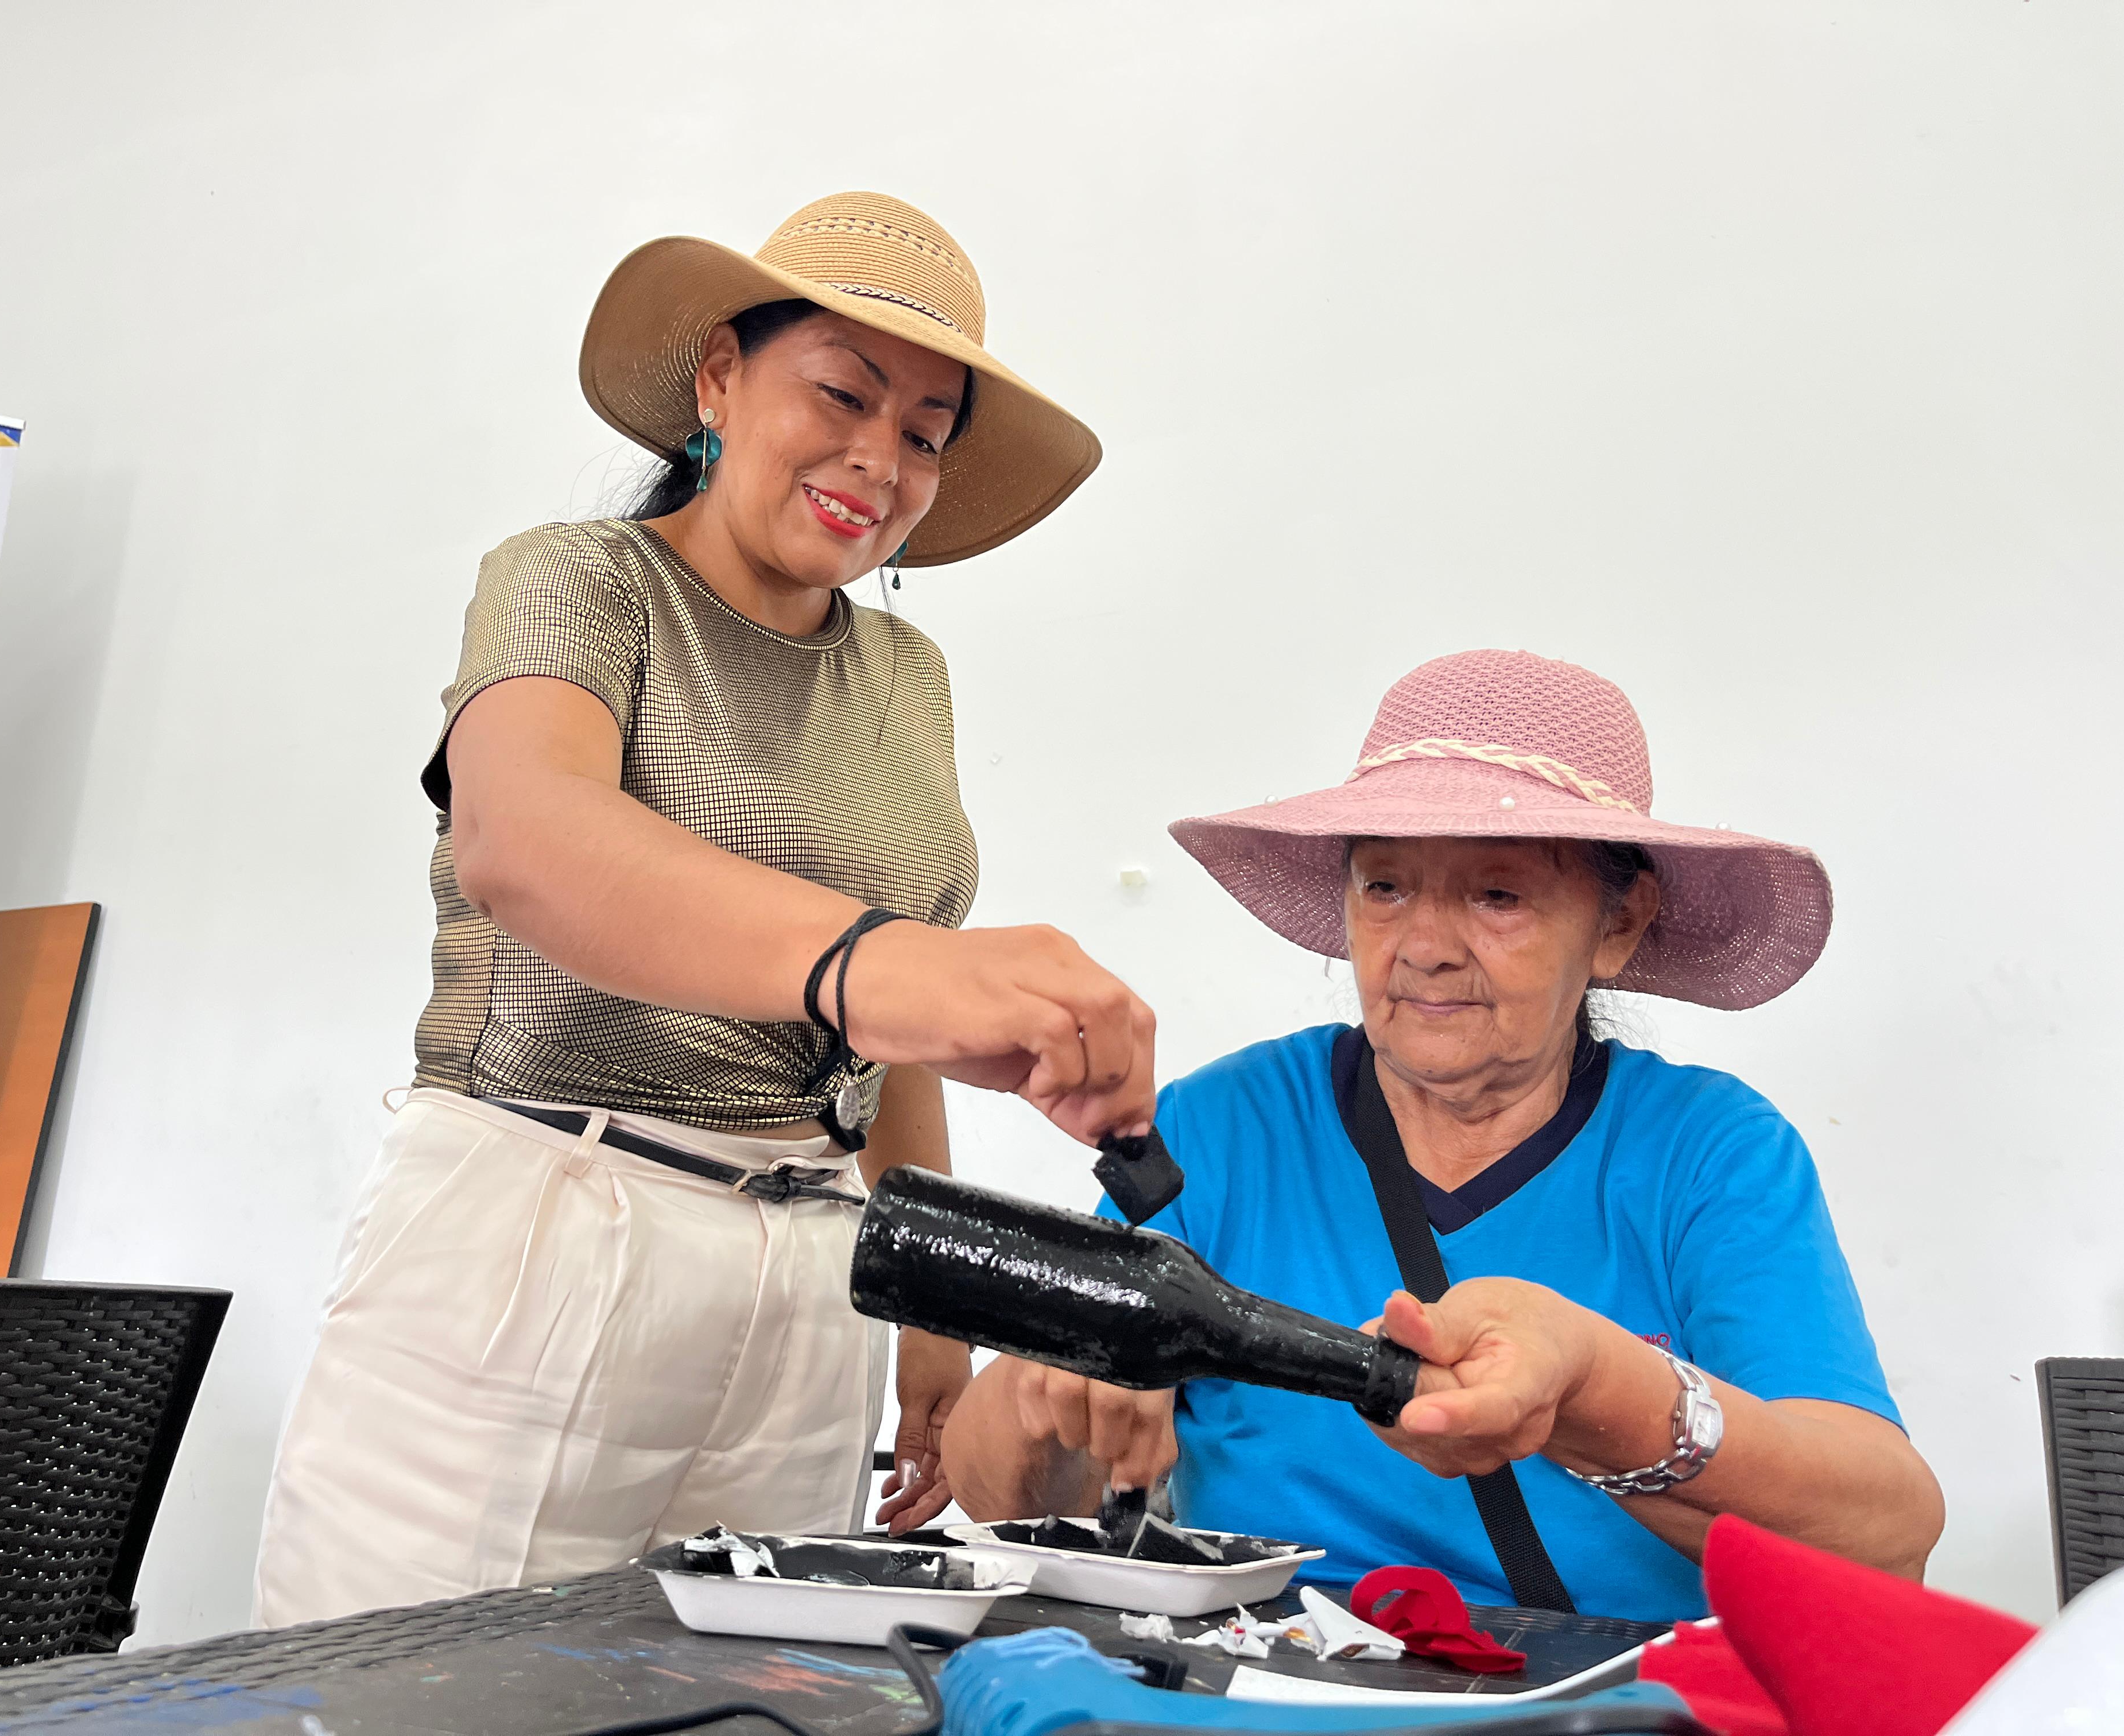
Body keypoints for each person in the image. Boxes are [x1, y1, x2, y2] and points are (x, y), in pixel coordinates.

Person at [253, 192, 1156, 1625]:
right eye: (843, 394)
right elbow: (522, 839)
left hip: (813, 1261)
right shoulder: (577, 581)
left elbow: (891, 1024)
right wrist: (884, 965)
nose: (881, 459)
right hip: (547, 1218)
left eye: (926, 433)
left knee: (744, 1690)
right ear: (720, 379)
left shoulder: (907, 677)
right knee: (419, 1687)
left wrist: (930, 1309)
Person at [941, 649, 1943, 1621]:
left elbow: (1887, 1536)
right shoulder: (1223, 1130)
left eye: (1498, 895)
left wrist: (1599, 1386)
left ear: (1619, 924)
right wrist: (1052, 1381)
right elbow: (999, 1499)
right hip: (1266, 1681)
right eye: (1385, 887)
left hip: (1601, 1697)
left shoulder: (1708, 1153)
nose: (1424, 947)